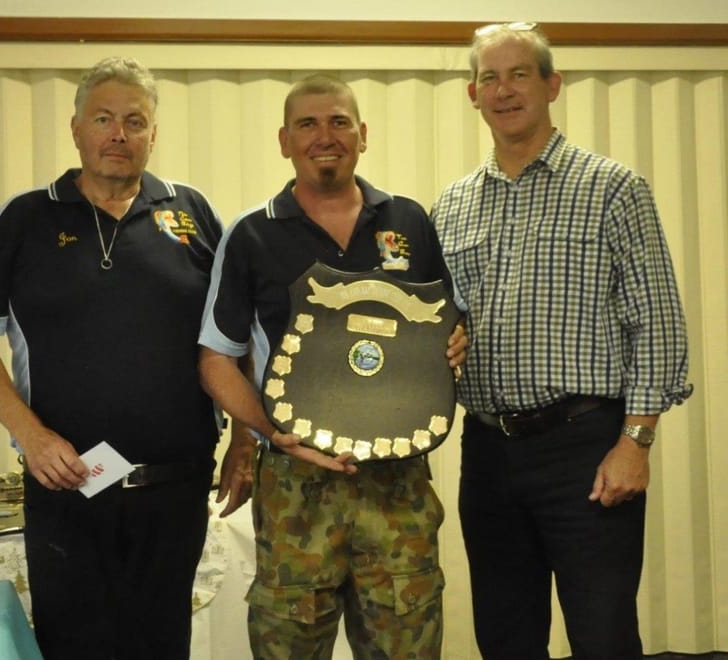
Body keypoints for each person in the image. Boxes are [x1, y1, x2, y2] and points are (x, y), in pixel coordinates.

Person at [0, 56, 239, 660]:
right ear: (75, 128)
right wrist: (29, 435)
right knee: (74, 646)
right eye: (103, 118)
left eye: (135, 121)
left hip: (176, 490)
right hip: (69, 489)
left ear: (154, 134)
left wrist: (247, 441)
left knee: (163, 645)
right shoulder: (24, 218)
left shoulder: (194, 215)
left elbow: (237, 338)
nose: (118, 134)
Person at [430, 22, 693, 660]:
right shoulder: (452, 206)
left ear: (552, 84)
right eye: (489, 77)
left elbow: (657, 321)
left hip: (586, 449)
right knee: (505, 636)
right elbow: (442, 322)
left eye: (520, 73)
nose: (504, 89)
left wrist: (636, 441)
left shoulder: (612, 188)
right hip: (488, 451)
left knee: (602, 635)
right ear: (472, 94)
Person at [198, 74, 467, 659]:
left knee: (407, 642)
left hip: (397, 481)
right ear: (284, 140)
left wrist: (456, 345)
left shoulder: (410, 221)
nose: (326, 135)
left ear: (363, 135)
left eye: (340, 121)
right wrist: (270, 436)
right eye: (308, 124)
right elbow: (217, 359)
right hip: (298, 486)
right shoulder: (252, 234)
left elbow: (445, 324)